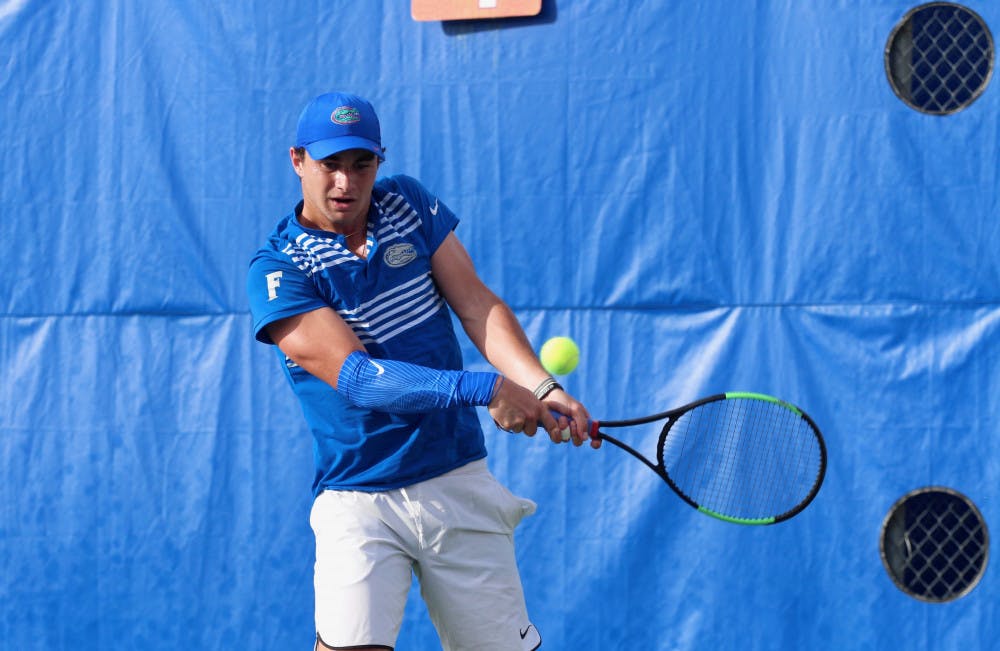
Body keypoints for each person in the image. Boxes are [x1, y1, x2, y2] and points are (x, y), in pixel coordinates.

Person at [246, 91, 597, 651]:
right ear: (298, 160)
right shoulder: (279, 268)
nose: (346, 182)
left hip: (455, 477)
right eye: (329, 165)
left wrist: (541, 385)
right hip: (359, 495)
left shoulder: (408, 204)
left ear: (378, 163)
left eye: (361, 164)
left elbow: (477, 306)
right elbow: (359, 379)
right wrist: (485, 388)